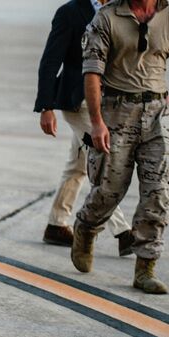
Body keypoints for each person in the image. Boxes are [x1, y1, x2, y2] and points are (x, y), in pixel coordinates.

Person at [73, 0, 169, 294]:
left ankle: (145, 267)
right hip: (117, 110)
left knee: (158, 191)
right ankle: (87, 226)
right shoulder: (106, 17)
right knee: (110, 189)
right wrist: (97, 122)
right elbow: (91, 73)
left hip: (156, 114)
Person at [34, 0, 133, 256]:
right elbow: (50, 60)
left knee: (78, 164)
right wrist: (46, 106)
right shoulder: (69, 13)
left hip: (108, 103)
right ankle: (123, 232)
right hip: (78, 104)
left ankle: (56, 224)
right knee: (102, 159)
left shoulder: (119, 9)